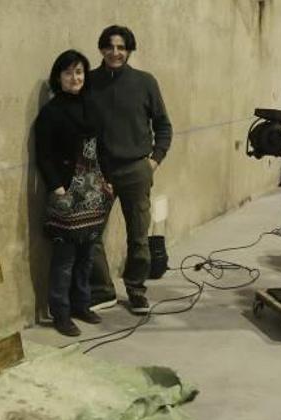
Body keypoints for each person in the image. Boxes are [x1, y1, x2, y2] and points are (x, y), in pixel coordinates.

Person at [85, 24, 173, 315]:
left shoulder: (145, 82)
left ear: (129, 50)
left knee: (137, 236)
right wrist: (94, 172)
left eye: (121, 47)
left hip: (136, 169)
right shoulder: (89, 82)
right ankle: (103, 290)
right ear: (101, 49)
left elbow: (163, 125)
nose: (115, 52)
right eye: (110, 46)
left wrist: (153, 161)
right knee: (91, 234)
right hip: (100, 173)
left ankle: (136, 289)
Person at [34, 50, 112, 337]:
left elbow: (103, 147)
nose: (75, 78)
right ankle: (61, 312)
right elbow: (44, 155)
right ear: (59, 77)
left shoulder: (93, 106)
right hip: (68, 192)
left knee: (87, 255)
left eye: (79, 72)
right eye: (68, 73)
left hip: (95, 191)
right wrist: (58, 187)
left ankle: (82, 304)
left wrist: (108, 180)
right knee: (65, 258)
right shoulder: (51, 113)